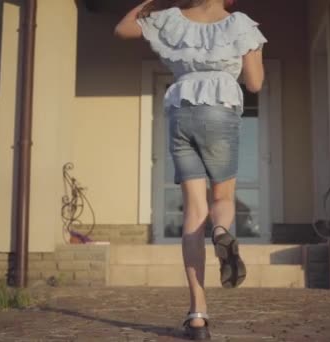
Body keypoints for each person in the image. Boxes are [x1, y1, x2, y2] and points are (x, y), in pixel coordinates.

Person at [115, 0, 266, 339]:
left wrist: (152, 2)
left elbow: (122, 28)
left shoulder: (170, 19)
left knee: (193, 211)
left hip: (181, 113)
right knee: (223, 197)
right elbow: (255, 83)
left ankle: (197, 312)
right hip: (220, 112)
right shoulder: (239, 23)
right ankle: (220, 232)